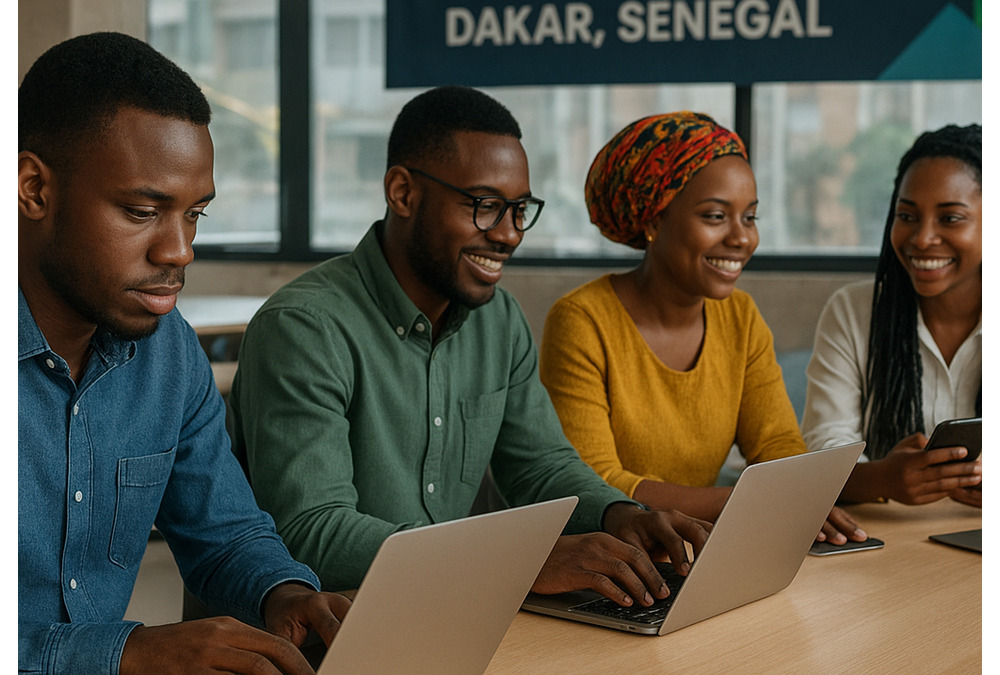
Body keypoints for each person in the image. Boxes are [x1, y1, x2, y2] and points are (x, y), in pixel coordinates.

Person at [230, 86, 712, 611]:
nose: (508, 234)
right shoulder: (304, 329)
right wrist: (517, 561)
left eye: (519, 210)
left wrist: (620, 516)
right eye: (484, 206)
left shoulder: (498, 319)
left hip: (453, 610)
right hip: (322, 635)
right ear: (403, 193)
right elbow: (312, 532)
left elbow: (540, 467)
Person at [18, 32, 350, 675]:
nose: (179, 251)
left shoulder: (168, 352)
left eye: (195, 214)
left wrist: (286, 593)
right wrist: (123, 653)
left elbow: (223, 531)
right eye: (143, 211)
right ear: (33, 188)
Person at [538, 112, 864, 544]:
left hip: (699, 547)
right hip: (612, 555)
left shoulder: (740, 316)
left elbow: (777, 445)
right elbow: (596, 481)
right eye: (715, 216)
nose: (742, 238)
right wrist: (737, 501)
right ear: (653, 221)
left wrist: (798, 496)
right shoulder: (582, 321)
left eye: (750, 217)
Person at [801, 123, 982, 506]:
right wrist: (882, 479)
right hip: (885, 543)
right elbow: (823, 450)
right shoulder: (853, 311)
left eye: (950, 218)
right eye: (907, 215)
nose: (922, 237)